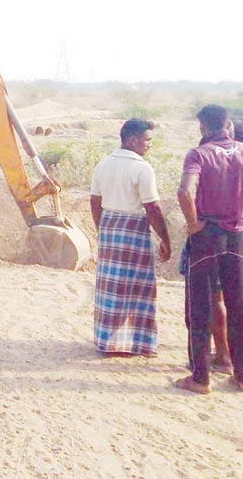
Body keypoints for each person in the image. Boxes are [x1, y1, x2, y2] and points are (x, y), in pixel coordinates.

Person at [175, 104, 243, 394]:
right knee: (238, 304)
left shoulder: (199, 154)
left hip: (207, 235)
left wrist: (193, 224)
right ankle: (240, 377)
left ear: (203, 127)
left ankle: (200, 378)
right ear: (227, 125)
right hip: (237, 235)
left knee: (201, 304)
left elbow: (184, 191)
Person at [90, 118, 171, 357]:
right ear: (133, 140)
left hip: (110, 228)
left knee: (110, 288)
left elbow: (95, 202)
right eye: (147, 139)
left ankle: (108, 341)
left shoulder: (103, 164)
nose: (149, 144)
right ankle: (136, 343)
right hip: (134, 230)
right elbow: (152, 207)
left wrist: (103, 229)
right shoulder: (141, 168)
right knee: (139, 288)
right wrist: (165, 239)